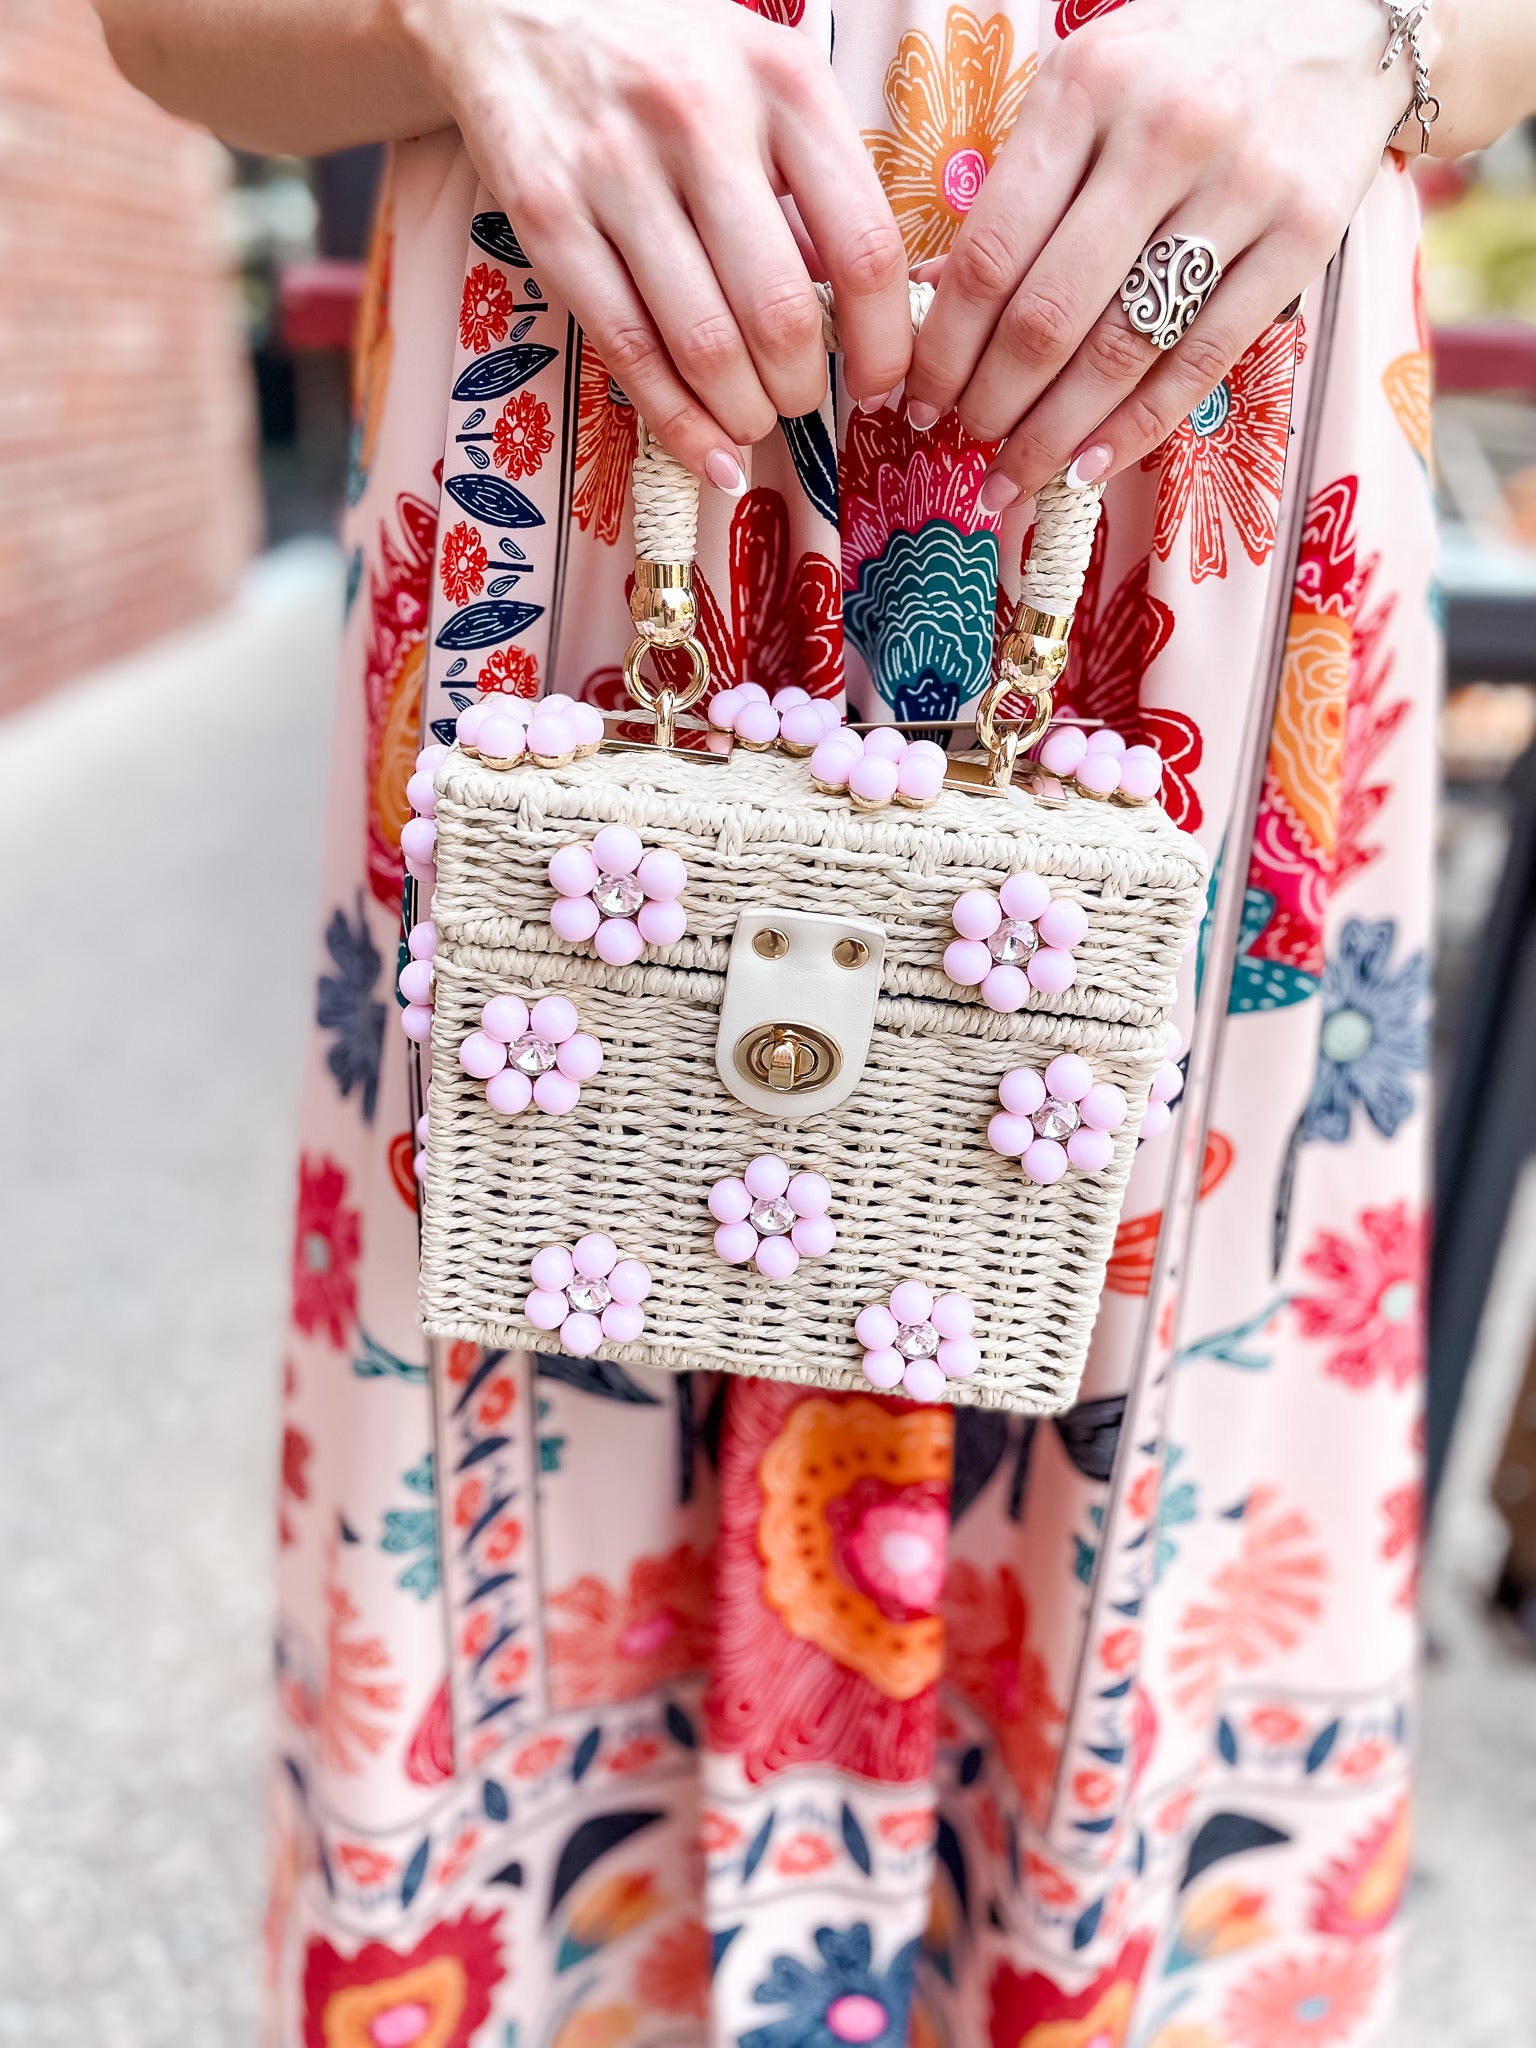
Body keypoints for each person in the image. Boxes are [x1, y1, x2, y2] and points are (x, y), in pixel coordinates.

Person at [95, 1, 1536, 2042]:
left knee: (1148, 1503)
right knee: (521, 1318)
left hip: (1192, 548)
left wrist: (1374, 37)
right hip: (583, 553)